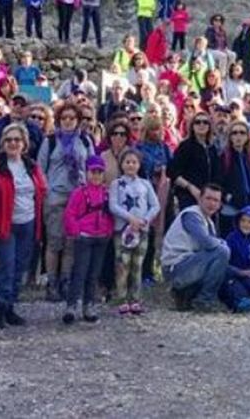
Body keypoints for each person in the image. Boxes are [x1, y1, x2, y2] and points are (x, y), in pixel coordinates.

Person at [0, 123, 46, 327]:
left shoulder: (32, 166)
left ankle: (10, 306)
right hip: (6, 223)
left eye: (17, 140)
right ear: (3, 143)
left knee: (20, 267)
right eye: (9, 140)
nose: (13, 143)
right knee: (6, 266)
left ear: (24, 144)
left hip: (28, 222)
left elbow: (41, 190)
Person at [37, 103, 93, 301]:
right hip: (55, 196)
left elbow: (91, 166)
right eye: (64, 118)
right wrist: (46, 192)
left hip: (77, 196)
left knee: (71, 242)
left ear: (78, 120)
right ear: (59, 120)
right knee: (54, 242)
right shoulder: (50, 141)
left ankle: (65, 280)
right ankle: (52, 282)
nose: (68, 121)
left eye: (72, 118)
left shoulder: (85, 141)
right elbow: (40, 169)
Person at [161, 184, 231, 312]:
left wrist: (241, 273)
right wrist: (222, 243)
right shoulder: (192, 215)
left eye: (216, 200)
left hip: (190, 264)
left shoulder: (208, 221)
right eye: (208, 198)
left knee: (224, 264)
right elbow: (207, 243)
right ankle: (204, 301)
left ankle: (186, 296)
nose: (212, 203)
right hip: (176, 268)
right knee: (222, 251)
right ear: (200, 199)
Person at [63, 156, 113, 324]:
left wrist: (108, 230)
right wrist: (76, 231)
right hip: (84, 237)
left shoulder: (107, 193)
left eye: (100, 172)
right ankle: (71, 305)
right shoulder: (80, 193)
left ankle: (88, 305)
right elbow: (70, 214)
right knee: (80, 272)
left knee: (94, 274)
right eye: (93, 172)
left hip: (101, 237)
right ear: (87, 173)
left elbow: (110, 214)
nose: (96, 175)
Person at [109, 149, 160, 315]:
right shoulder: (116, 184)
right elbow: (113, 205)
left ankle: (135, 298)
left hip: (142, 230)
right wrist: (130, 218)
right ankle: (122, 298)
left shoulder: (145, 184)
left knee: (137, 265)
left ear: (139, 165)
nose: (131, 165)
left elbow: (155, 205)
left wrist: (145, 220)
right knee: (122, 265)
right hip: (122, 229)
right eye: (127, 162)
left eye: (134, 162)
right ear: (122, 164)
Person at [168, 112, 217, 213]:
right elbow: (172, 171)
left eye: (205, 122)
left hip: (208, 198)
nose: (201, 125)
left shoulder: (212, 148)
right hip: (188, 197)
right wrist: (190, 187)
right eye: (197, 122)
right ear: (192, 126)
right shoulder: (185, 146)